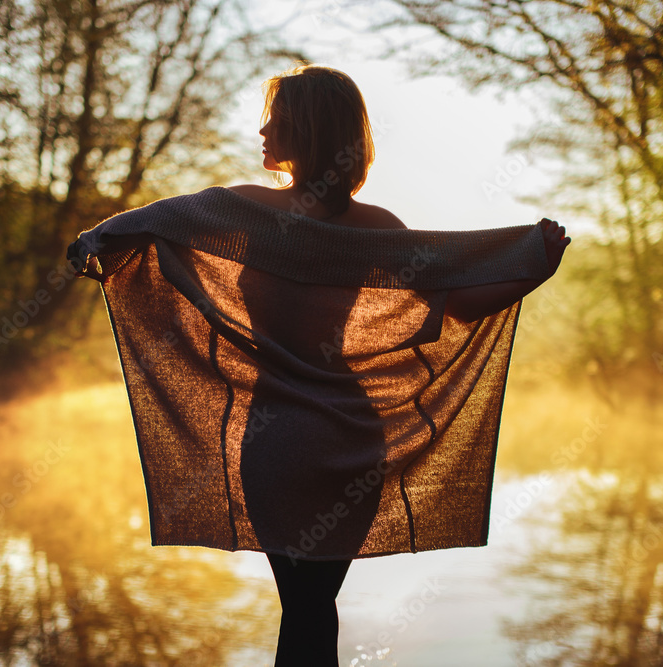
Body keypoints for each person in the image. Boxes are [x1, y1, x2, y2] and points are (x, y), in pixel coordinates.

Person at [71, 63, 569, 667]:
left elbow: (146, 224)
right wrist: (535, 266)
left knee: (302, 607)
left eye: (274, 118)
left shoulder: (240, 212)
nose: (261, 129)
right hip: (352, 437)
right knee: (315, 606)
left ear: (305, 130)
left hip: (273, 438)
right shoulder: (377, 230)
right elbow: (457, 302)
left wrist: (93, 241)